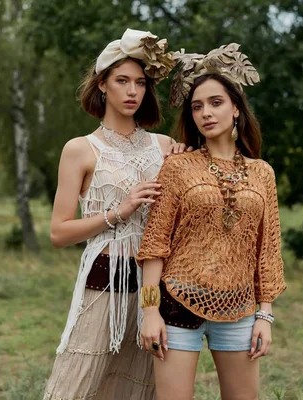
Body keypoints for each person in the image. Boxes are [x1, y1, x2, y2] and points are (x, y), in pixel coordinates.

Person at [43, 29, 189, 400]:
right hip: (104, 282)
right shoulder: (80, 149)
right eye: (121, 80)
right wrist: (118, 212)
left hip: (155, 288)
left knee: (142, 384)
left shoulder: (166, 147)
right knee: (77, 384)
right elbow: (59, 233)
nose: (132, 91)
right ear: (102, 84)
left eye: (140, 83)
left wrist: (188, 171)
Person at [136, 44, 287, 400]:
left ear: (236, 108)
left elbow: (268, 251)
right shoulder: (177, 166)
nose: (206, 113)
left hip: (239, 310)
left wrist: (265, 316)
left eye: (216, 103)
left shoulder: (262, 173)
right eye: (197, 106)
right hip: (176, 305)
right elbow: (155, 244)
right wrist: (149, 311)